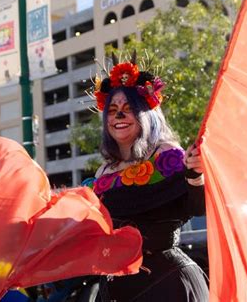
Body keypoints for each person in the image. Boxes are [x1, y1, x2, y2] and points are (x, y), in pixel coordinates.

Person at [83, 52, 209, 302]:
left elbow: (196, 206)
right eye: (113, 110)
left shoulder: (167, 155)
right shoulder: (104, 173)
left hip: (168, 286)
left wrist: (195, 174)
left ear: (146, 114)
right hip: (115, 289)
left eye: (128, 109)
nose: (118, 117)